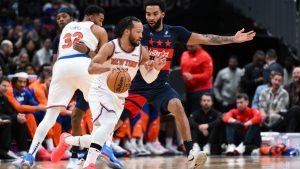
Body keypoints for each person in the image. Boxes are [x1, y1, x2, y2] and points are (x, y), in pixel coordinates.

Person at [112, 0, 255, 168]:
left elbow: (205, 38)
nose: (150, 17)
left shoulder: (174, 32)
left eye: (154, 14)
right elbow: (139, 52)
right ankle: (94, 148)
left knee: (178, 107)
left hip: (160, 86)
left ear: (163, 14)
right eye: (148, 14)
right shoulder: (141, 31)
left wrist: (233, 39)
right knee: (117, 121)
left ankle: (191, 153)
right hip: (139, 86)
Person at [53, 16, 166, 169]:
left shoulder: (142, 53)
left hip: (119, 96)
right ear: (127, 32)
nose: (142, 35)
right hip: (100, 91)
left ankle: (67, 141)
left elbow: (148, 78)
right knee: (106, 126)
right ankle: (89, 164)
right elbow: (91, 68)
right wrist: (110, 67)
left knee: (102, 133)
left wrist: (156, 68)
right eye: (138, 32)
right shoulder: (110, 47)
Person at [17, 5, 108, 168]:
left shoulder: (65, 29)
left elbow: (57, 57)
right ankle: (98, 153)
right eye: (100, 20)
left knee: (50, 117)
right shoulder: (99, 30)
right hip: (83, 65)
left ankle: (29, 157)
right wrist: (88, 51)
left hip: (61, 68)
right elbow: (102, 62)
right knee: (101, 115)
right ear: (92, 17)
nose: (101, 23)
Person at [180, 44, 214, 115]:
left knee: (197, 114)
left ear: (198, 44)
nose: (189, 48)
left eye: (191, 46)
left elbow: (208, 75)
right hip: (186, 90)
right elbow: (181, 70)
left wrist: (193, 76)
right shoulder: (184, 54)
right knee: (187, 113)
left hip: (201, 90)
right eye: (188, 46)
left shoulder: (205, 56)